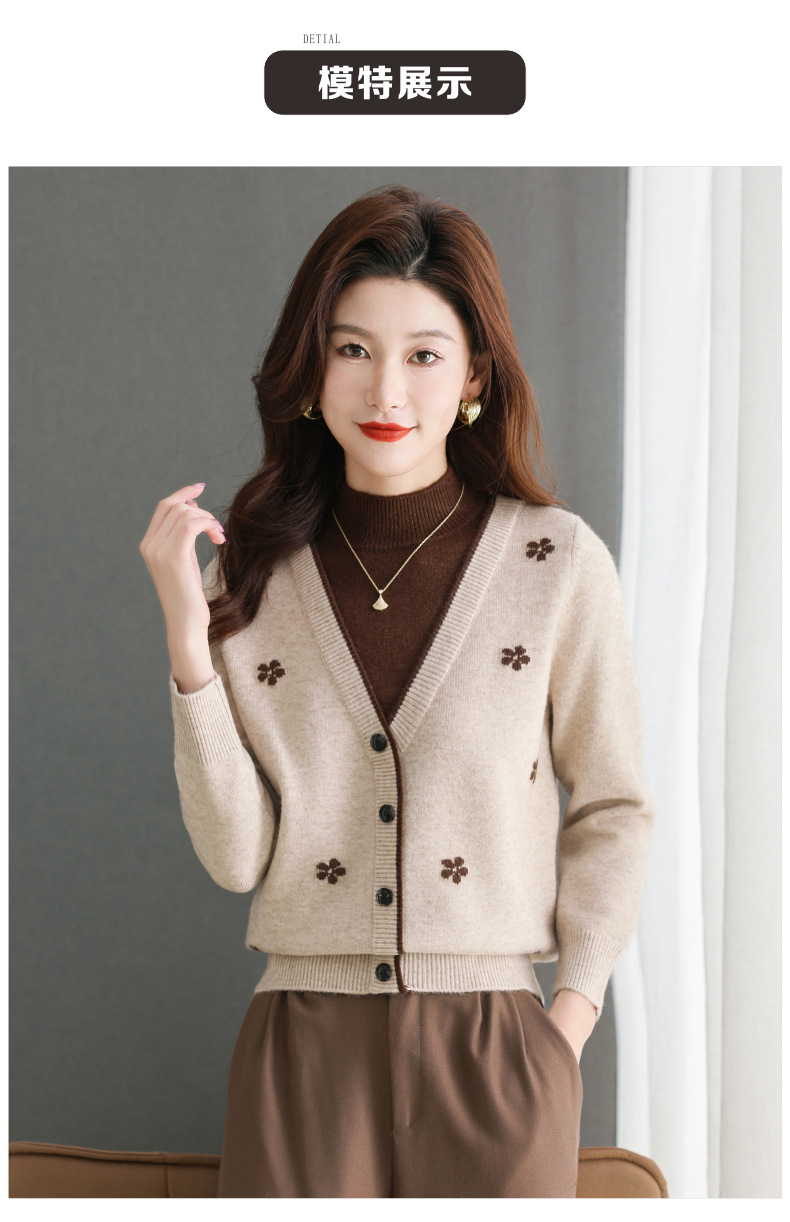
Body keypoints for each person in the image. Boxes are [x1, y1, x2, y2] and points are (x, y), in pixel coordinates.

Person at [139, 184, 656, 1198]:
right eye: (353, 349)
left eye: (424, 354)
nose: (386, 390)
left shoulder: (555, 562)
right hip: (303, 1051)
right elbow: (236, 858)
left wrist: (568, 1020)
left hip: (498, 1051)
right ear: (311, 368)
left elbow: (614, 804)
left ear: (474, 375)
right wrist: (188, 644)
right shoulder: (249, 577)